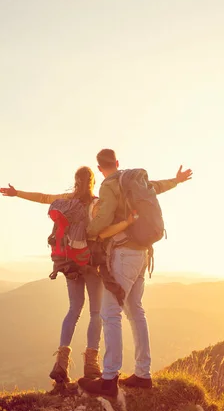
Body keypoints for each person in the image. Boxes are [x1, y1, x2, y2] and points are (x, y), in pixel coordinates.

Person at [0, 166, 133, 385]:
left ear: (75, 181)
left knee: (73, 309)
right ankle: (91, 365)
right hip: (90, 263)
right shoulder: (97, 204)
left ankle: (61, 363)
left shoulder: (66, 201)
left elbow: (43, 198)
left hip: (69, 263)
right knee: (96, 312)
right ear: (92, 182)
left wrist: (17, 193)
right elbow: (103, 229)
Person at [78, 149, 193, 397]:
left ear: (99, 168)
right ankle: (143, 374)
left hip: (123, 254)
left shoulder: (110, 185)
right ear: (117, 163)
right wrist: (177, 180)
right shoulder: (133, 183)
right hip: (143, 254)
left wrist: (89, 230)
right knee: (135, 311)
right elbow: (158, 186)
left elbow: (105, 216)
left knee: (110, 313)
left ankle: (108, 379)